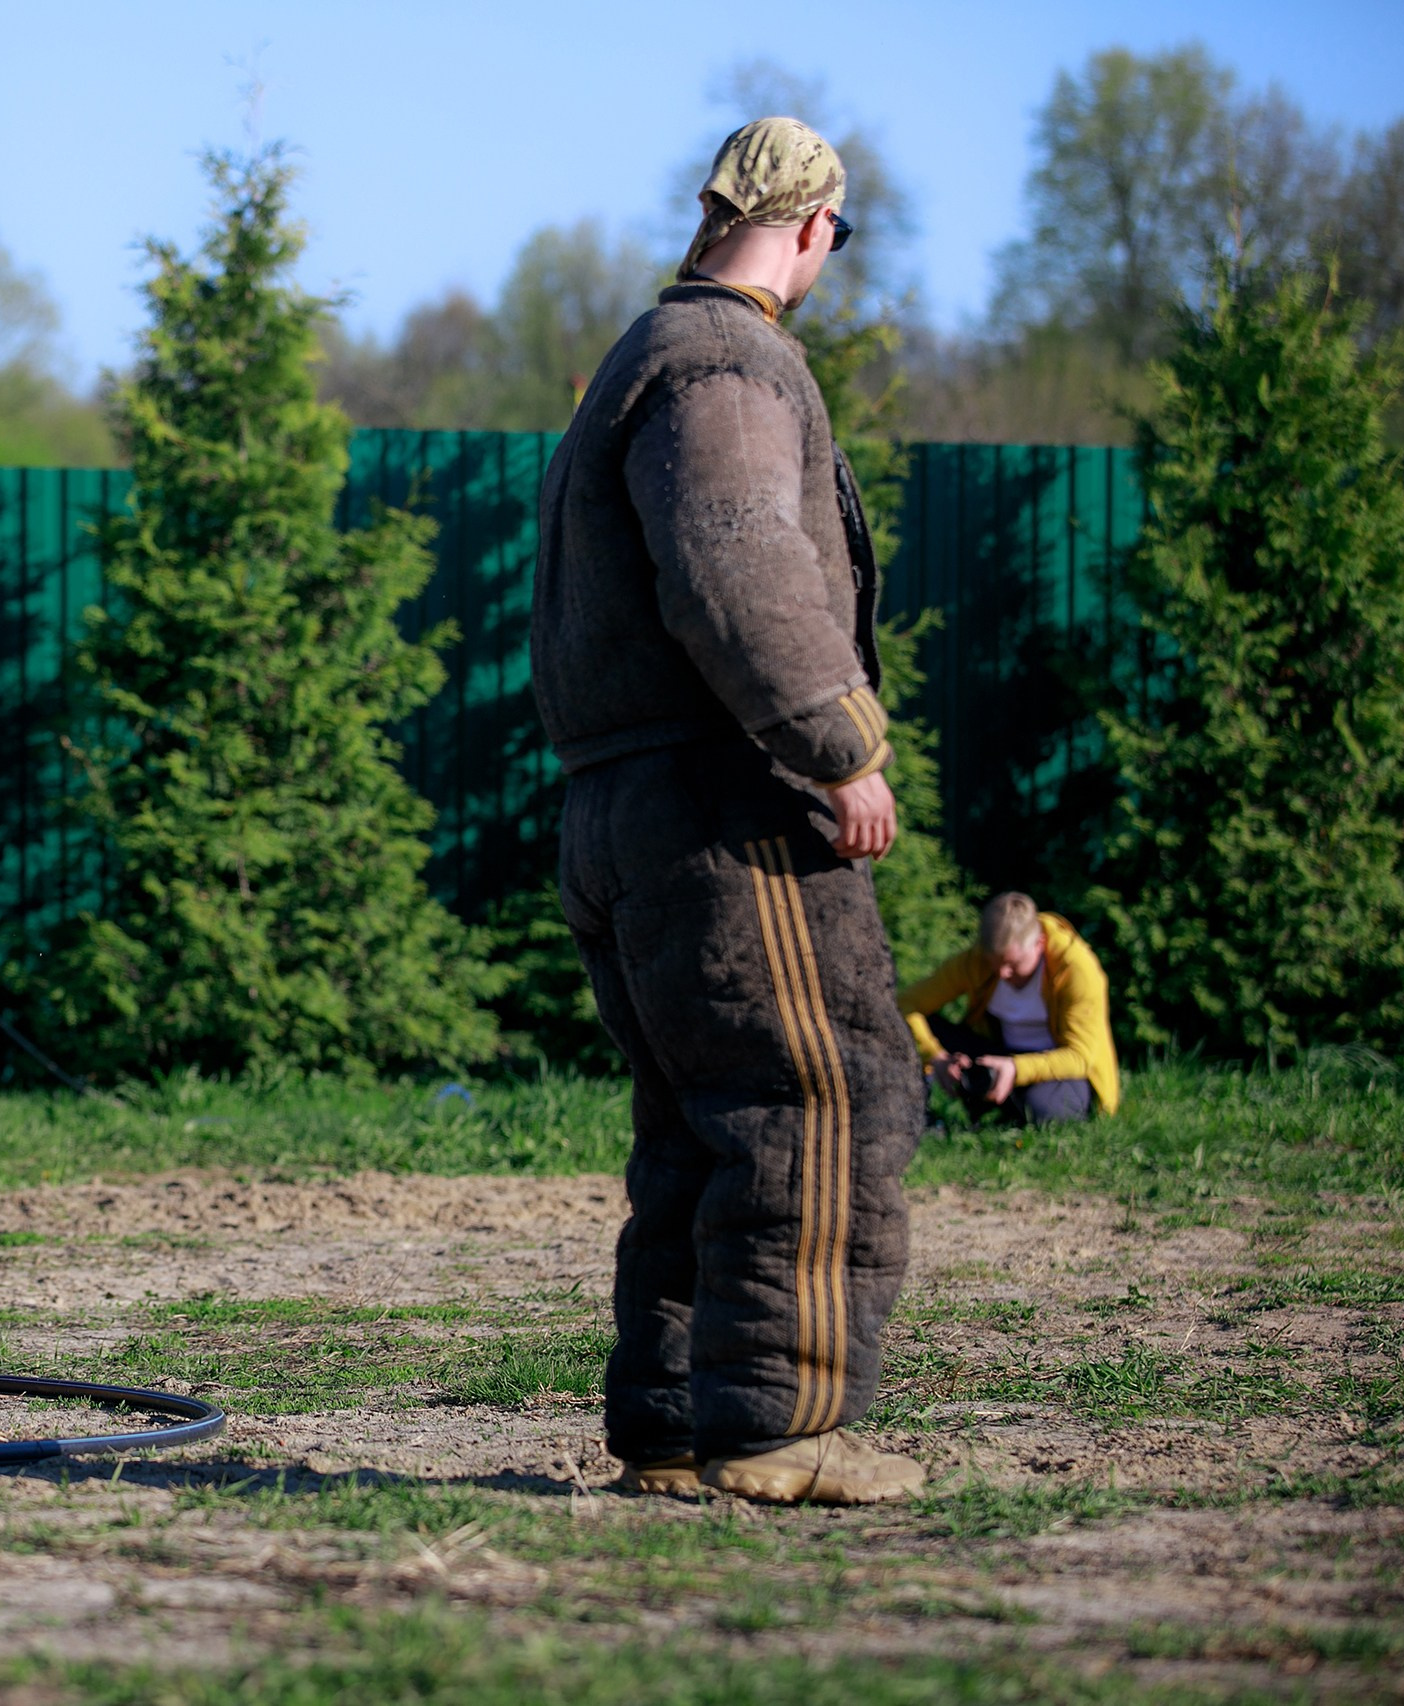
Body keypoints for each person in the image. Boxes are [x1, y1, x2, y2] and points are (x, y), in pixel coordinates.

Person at [530, 117, 927, 1506]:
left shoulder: (639, 356)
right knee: (821, 1093)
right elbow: (737, 559)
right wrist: (837, 740)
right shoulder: (727, 362)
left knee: (702, 1122)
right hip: (723, 802)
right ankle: (777, 1427)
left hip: (619, 803)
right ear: (815, 227)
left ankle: (675, 1428)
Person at [900, 892, 1119, 1123]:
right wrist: (936, 1057)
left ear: (1039, 944)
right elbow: (906, 1003)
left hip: (1059, 1069)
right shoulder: (976, 961)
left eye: (1013, 964)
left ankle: (1000, 1106)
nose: (1003, 973)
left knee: (1044, 1109)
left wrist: (1016, 1069)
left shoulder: (1077, 970)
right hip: (997, 1054)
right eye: (994, 964)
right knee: (906, 1027)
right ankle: (922, 1112)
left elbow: (1080, 1057)